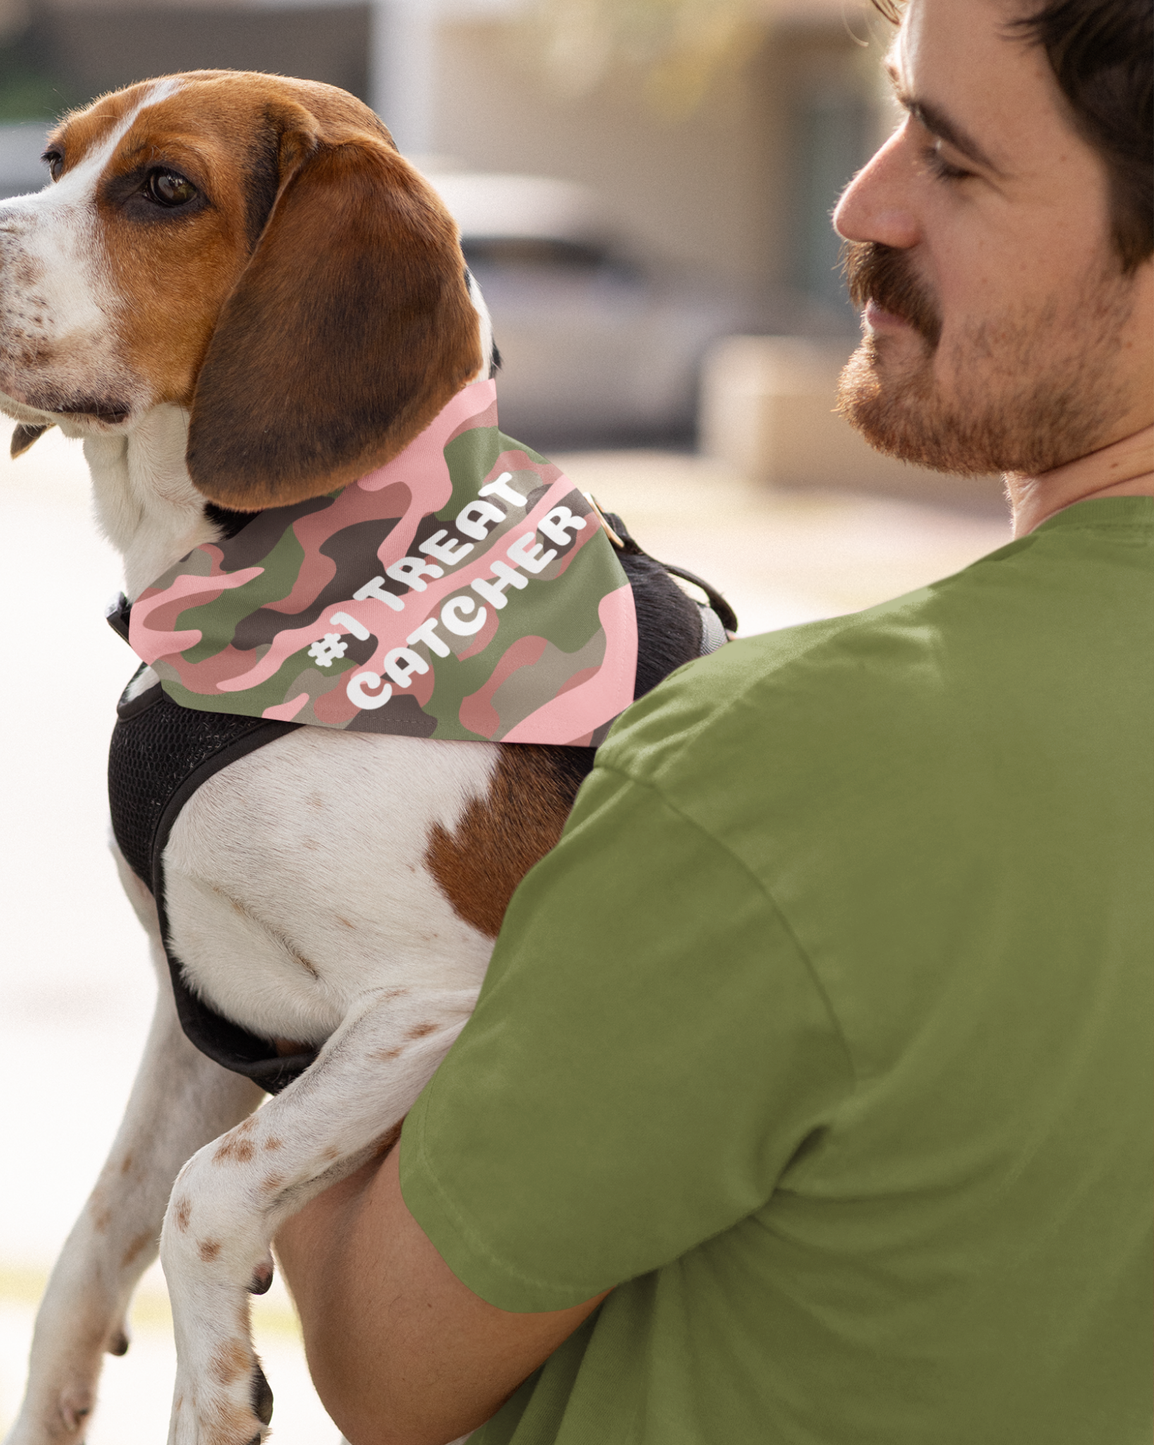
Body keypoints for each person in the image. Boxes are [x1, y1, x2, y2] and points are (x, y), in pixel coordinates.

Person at [274, 0, 1154, 1440]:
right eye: (891, 113)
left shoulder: (795, 767)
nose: (862, 199)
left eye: (951, 154)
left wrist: (268, 852)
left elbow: (383, 1360)